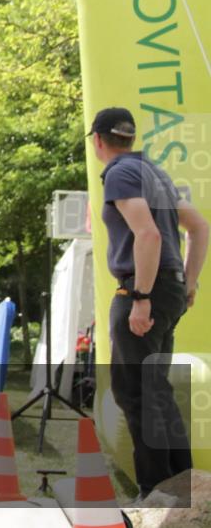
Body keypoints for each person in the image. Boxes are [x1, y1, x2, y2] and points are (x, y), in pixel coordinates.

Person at [89, 107, 207, 499]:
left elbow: (149, 236)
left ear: (99, 140)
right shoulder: (153, 172)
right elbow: (199, 227)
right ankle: (185, 487)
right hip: (169, 289)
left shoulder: (120, 173)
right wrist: (187, 284)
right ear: (130, 137)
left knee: (135, 391)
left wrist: (140, 297)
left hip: (145, 290)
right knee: (155, 389)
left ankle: (156, 492)